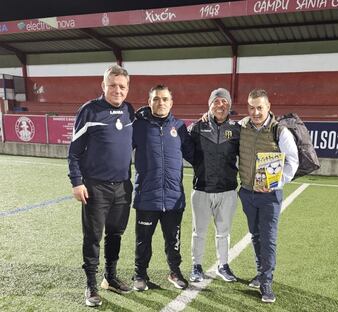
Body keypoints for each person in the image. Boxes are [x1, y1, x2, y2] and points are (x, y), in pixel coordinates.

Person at [68, 65, 134, 307]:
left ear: (127, 89)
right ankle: (91, 285)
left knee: (116, 234)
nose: (117, 90)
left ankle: (111, 276)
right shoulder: (89, 111)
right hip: (95, 187)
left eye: (122, 86)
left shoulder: (129, 110)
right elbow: (74, 153)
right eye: (113, 85)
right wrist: (77, 182)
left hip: (123, 187)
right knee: (93, 237)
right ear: (103, 86)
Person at [238, 88, 299, 303]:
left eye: (259, 108)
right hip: (246, 192)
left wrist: (276, 183)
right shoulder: (242, 126)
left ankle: (267, 282)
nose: (255, 112)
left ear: (268, 107)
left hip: (270, 196)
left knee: (269, 239)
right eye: (251, 108)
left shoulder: (279, 131)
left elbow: (293, 161)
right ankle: (260, 272)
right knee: (255, 236)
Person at [131, 84, 194, 291]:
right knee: (143, 242)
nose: (161, 103)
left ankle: (175, 272)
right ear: (149, 102)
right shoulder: (138, 126)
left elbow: (196, 156)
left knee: (173, 241)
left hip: (173, 198)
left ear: (171, 102)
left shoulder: (180, 126)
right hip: (147, 197)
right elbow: (119, 151)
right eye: (156, 99)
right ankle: (140, 275)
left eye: (165, 99)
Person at [188, 88, 240, 283]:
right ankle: (196, 266)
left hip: (227, 190)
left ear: (229, 106)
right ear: (209, 104)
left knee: (223, 232)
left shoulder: (237, 130)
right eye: (216, 101)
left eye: (225, 102)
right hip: (202, 189)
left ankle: (223, 265)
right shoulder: (196, 128)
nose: (221, 105)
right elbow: (188, 153)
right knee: (198, 231)